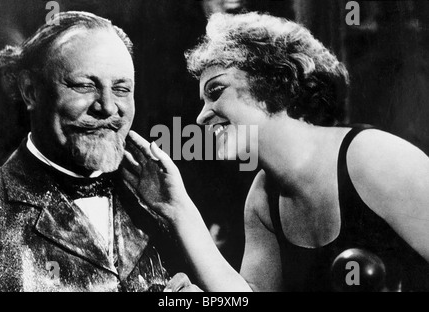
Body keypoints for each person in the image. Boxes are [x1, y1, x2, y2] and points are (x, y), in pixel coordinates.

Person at [122, 12, 429, 292]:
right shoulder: (262, 201)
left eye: (216, 91)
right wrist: (177, 208)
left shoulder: (372, 157)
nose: (202, 116)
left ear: (272, 82)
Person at [0, 11, 185, 292]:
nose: (108, 107)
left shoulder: (162, 206)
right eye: (85, 86)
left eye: (122, 89)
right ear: (31, 92)